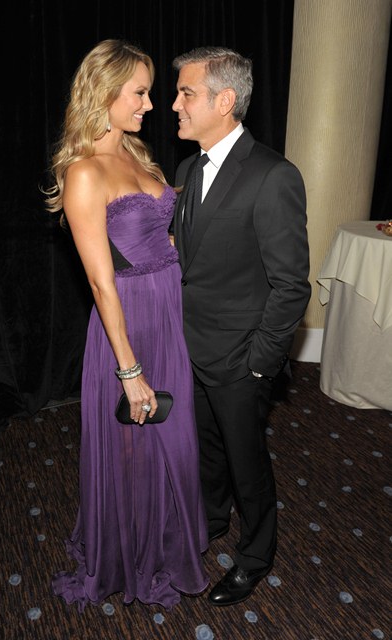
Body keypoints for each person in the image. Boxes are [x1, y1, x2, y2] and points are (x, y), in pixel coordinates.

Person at [44, 39, 209, 611]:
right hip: (128, 323)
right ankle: (129, 557)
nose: (150, 104)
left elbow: (160, 236)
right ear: (105, 92)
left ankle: (165, 544)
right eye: (139, 92)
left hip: (168, 310)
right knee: (133, 444)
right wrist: (129, 370)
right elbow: (100, 282)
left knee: (173, 438)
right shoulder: (84, 172)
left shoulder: (138, 156)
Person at [171, 46, 311, 606]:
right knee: (207, 453)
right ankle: (210, 521)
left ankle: (255, 556)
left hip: (240, 359)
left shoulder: (273, 175)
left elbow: (291, 285)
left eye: (186, 93)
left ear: (224, 100)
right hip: (190, 348)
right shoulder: (187, 169)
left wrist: (259, 365)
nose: (175, 105)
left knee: (246, 463)